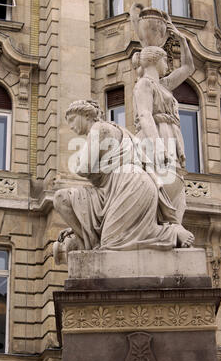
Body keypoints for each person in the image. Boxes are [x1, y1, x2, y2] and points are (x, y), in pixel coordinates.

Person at [53, 100, 194, 261]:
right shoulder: (119, 130)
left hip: (129, 185)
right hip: (115, 189)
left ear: (86, 115)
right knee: (62, 198)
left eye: (71, 119)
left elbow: (84, 168)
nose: (70, 126)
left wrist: (80, 160)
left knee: (114, 243)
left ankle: (172, 233)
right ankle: (87, 242)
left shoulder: (98, 128)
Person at [132, 21, 195, 223]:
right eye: (165, 60)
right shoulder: (144, 84)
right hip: (155, 136)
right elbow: (144, 115)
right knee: (160, 183)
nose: (168, 65)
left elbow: (188, 67)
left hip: (169, 135)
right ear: (155, 60)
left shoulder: (164, 84)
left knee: (174, 184)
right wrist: (157, 146)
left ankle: (171, 226)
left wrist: (182, 40)